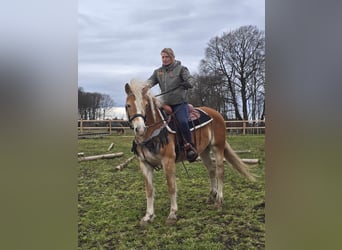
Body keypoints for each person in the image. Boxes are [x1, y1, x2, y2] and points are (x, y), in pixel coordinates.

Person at [147, 48, 198, 162]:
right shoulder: (158, 72)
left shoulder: (181, 69)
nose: (164, 59)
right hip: (164, 103)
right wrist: (139, 88)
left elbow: (191, 79)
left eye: (167, 57)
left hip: (179, 103)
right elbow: (149, 82)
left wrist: (188, 83)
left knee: (183, 122)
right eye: (163, 57)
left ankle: (189, 146)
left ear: (172, 57)